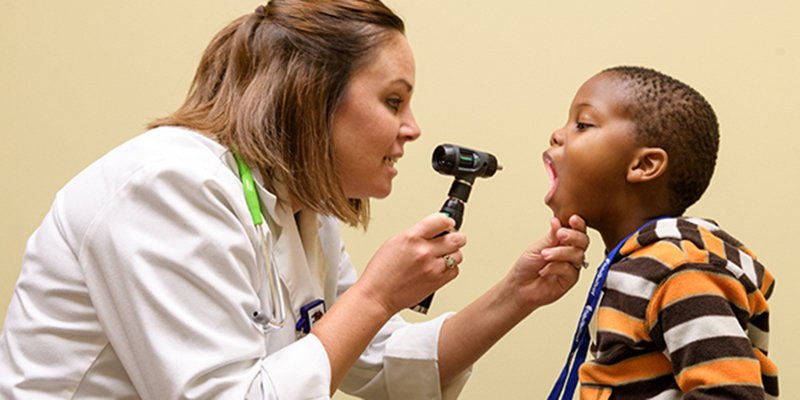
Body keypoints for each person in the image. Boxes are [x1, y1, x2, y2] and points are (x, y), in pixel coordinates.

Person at [0, 1, 590, 399]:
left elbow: (376, 364)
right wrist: (377, 294)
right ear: (311, 96)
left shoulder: (298, 207)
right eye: (393, 101)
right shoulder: (169, 184)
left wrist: (517, 296)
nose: (413, 128)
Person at [543, 66, 778, 399]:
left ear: (644, 165)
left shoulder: (681, 271)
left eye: (582, 124)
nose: (557, 135)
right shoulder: (640, 267)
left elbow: (732, 394)